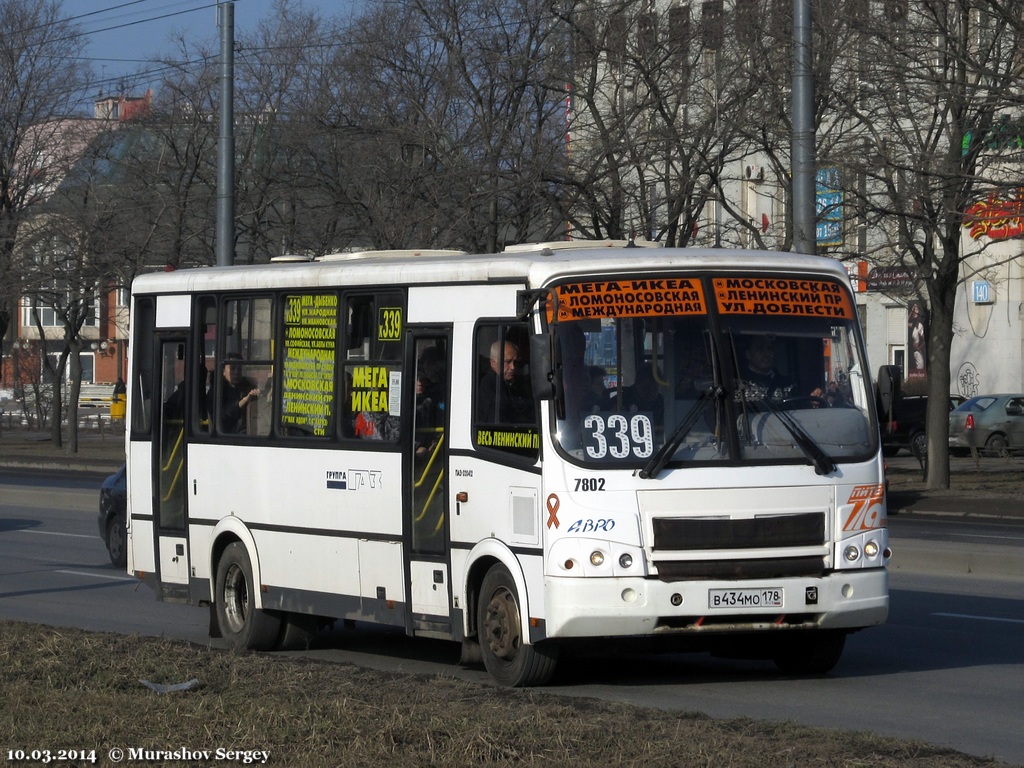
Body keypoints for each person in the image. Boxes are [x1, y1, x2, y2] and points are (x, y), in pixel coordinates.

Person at [477, 339, 533, 423]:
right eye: (507, 362)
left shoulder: (514, 383)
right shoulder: (491, 386)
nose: (513, 367)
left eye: (515, 362)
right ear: (493, 363)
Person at [740, 335, 795, 403]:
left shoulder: (788, 384)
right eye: (760, 349)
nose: (767, 353)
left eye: (769, 348)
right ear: (748, 354)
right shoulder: (738, 384)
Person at [215, 353, 260, 433]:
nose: (236, 372)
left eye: (239, 369)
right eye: (232, 369)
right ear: (223, 371)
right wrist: (244, 401)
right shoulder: (217, 391)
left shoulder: (247, 387)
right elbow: (222, 417)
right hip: (229, 436)